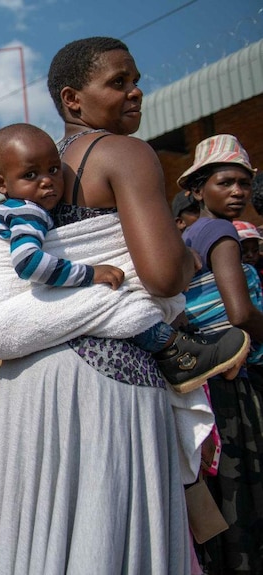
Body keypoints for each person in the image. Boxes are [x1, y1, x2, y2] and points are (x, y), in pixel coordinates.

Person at [0, 37, 204, 574]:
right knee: (106, 538)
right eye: (118, 82)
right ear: (73, 99)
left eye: (135, 79)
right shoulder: (125, 152)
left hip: (30, 380)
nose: (136, 92)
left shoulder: (40, 170)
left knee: (43, 541)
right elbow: (163, 275)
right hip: (107, 377)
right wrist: (189, 256)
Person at [0, 122, 248, 393]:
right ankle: (175, 351)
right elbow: (28, 263)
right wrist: (91, 273)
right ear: (1, 184)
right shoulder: (28, 211)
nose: (46, 181)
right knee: (114, 303)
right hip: (4, 318)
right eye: (30, 175)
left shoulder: (8, 212)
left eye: (53, 170)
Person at [177, 134, 263, 573]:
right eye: (226, 182)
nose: (238, 193)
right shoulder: (220, 231)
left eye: (244, 184)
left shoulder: (191, 234)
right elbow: (241, 312)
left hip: (204, 382)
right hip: (234, 381)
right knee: (244, 492)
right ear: (197, 190)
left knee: (220, 491)